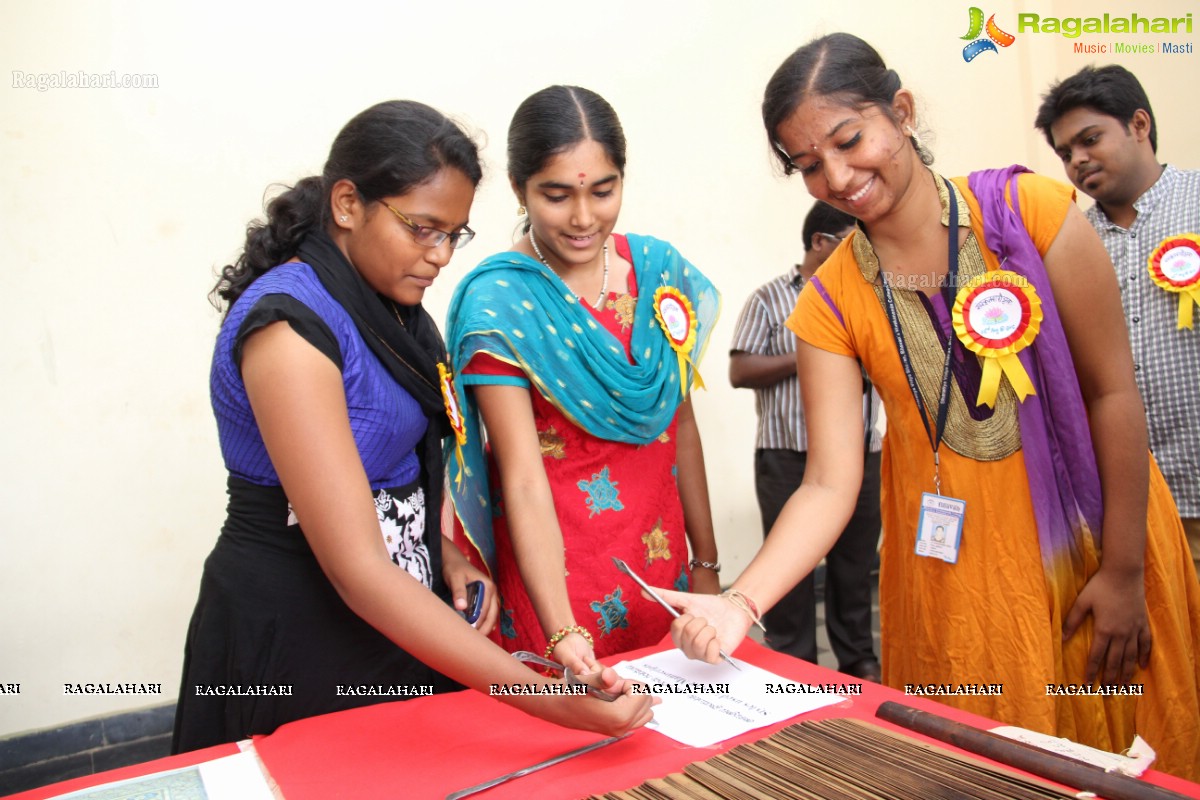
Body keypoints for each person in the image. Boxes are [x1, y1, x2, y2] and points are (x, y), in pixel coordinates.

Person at [657, 34, 1200, 779]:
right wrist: (739, 604)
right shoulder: (831, 300)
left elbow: (1112, 394)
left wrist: (1126, 571)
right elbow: (828, 481)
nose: (838, 177)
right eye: (808, 165)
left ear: (901, 112)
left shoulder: (1035, 214)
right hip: (960, 585)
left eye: (850, 140)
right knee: (985, 771)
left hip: (1099, 554)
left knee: (1132, 759)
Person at [172, 100, 653, 753]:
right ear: (347, 204)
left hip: (395, 622)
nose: (441, 255)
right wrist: (547, 702)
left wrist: (441, 549)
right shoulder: (290, 330)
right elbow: (358, 568)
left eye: (454, 234)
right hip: (298, 634)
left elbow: (388, 477)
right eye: (423, 229)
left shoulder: (393, 307)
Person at [447, 86, 720, 677]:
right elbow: (520, 477)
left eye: (603, 190)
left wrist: (708, 563)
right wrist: (561, 625)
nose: (583, 218)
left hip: (659, 555)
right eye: (556, 195)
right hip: (561, 572)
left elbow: (683, 426)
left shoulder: (657, 271)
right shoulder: (502, 302)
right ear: (519, 188)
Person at [1035, 65, 1200, 573]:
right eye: (1065, 153)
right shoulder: (1066, 242)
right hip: (1129, 510)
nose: (1077, 161)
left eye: (1089, 139)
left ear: (1139, 125)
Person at [729, 202, 882, 680]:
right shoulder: (769, 298)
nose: (862, 252)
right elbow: (740, 370)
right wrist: (815, 352)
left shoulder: (869, 296)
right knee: (789, 578)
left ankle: (859, 664)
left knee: (854, 569)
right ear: (820, 242)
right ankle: (793, 669)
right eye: (850, 241)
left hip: (861, 454)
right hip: (786, 457)